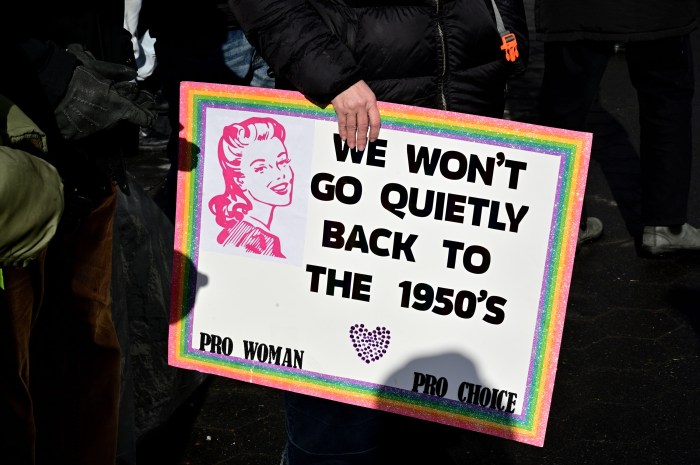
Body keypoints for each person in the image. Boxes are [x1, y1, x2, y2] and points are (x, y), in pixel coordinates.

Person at [228, 0, 529, 463]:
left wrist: (505, 38)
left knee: (430, 358)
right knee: (334, 377)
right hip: (348, 126)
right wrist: (331, 75)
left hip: (463, 125)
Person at [0, 1, 155, 463]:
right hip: (15, 177)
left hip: (88, 160)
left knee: (87, 355)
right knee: (13, 382)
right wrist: (52, 74)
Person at [535, 0, 700, 256]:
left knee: (564, 107)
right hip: (658, 12)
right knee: (666, 102)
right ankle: (666, 226)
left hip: (574, 11)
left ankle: (562, 227)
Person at [140, 0, 276, 222]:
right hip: (197, 29)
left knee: (264, 155)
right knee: (198, 161)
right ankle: (178, 244)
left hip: (275, 23)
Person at [209, 117, 294, 257]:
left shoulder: (259, 237)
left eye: (283, 161)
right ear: (239, 179)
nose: (280, 174)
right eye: (261, 168)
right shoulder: (249, 241)